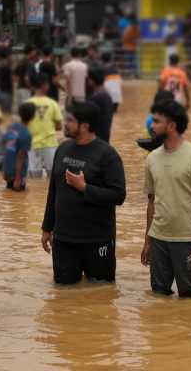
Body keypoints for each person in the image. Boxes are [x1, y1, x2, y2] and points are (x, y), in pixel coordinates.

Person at [41, 101, 128, 285]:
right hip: (63, 239)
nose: (65, 123)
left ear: (85, 126)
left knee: (101, 295)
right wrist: (47, 228)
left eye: (70, 120)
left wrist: (84, 188)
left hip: (97, 240)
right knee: (64, 297)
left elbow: (118, 196)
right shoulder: (62, 149)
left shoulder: (107, 155)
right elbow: (53, 191)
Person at [140, 100, 191, 298]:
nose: (151, 126)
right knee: (158, 298)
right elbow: (151, 201)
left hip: (188, 241)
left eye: (156, 121)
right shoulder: (152, 158)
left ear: (172, 126)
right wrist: (147, 241)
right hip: (158, 240)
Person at [26, 73, 65, 180]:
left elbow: (23, 127)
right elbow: (59, 127)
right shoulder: (52, 103)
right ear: (46, 85)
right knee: (52, 179)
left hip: (32, 145)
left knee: (34, 180)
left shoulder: (27, 103)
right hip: (50, 144)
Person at [2, 103, 36, 191]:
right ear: (33, 117)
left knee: (10, 198)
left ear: (19, 114)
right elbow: (21, 157)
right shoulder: (26, 135)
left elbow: (6, 148)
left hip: (8, 169)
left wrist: (4, 169)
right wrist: (18, 179)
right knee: (20, 198)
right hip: (18, 174)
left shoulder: (12, 127)